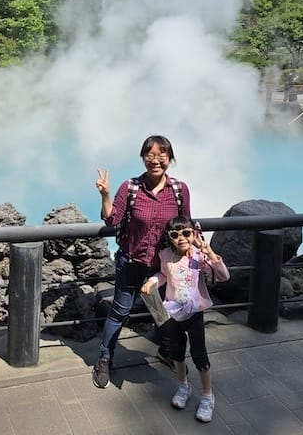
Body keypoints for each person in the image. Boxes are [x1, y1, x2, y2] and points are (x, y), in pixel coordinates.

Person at [92, 135, 191, 389]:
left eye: (162, 155)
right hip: (131, 261)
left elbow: (186, 226)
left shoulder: (179, 190)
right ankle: (104, 357)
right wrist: (105, 194)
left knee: (162, 311)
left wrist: (199, 251)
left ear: (170, 158)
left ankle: (166, 351)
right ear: (143, 157)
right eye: (150, 155)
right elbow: (112, 220)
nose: (155, 160)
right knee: (119, 312)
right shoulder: (131, 188)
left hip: (161, 266)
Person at [140, 216, 229, 423]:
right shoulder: (165, 255)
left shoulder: (198, 257)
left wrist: (208, 251)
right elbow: (163, 275)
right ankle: (183, 386)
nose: (181, 238)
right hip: (172, 312)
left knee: (199, 354)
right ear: (169, 238)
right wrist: (153, 281)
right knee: (177, 352)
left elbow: (224, 276)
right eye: (175, 234)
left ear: (194, 234)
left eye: (186, 233)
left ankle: (207, 396)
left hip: (195, 312)